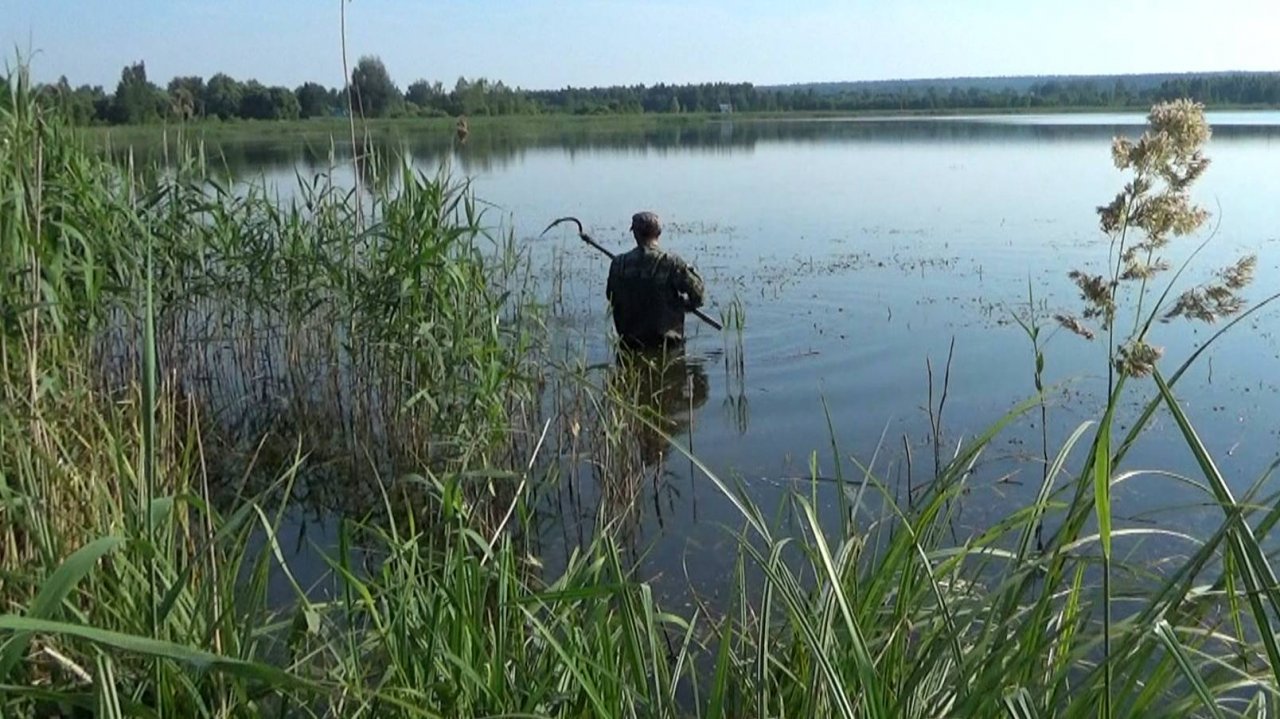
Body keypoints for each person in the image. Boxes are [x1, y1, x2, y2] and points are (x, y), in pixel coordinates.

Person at [604, 211, 706, 349]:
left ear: (635, 234)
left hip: (629, 343)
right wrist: (683, 304)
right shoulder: (671, 263)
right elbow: (698, 295)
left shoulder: (618, 264)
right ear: (659, 233)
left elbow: (611, 296)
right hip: (667, 344)